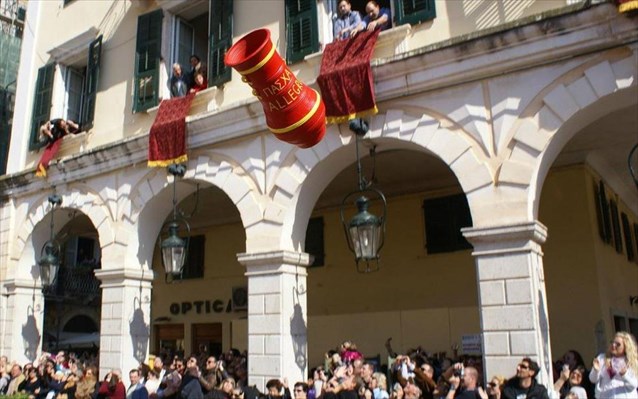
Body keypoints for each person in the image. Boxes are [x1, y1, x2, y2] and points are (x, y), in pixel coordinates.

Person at [589, 331, 638, 398]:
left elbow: (634, 385)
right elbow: (592, 379)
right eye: (612, 342)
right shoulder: (602, 358)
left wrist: (624, 375)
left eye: (618, 344)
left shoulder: (631, 361)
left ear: (626, 347)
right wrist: (596, 370)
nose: (613, 345)